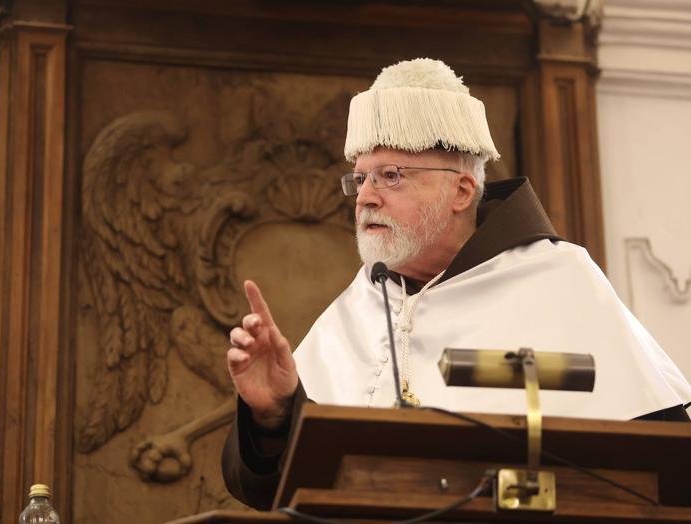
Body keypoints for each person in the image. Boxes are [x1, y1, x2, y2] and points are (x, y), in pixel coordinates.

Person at [221, 58, 691, 509]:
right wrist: (275, 413)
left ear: (461, 192)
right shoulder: (361, 305)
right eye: (360, 178)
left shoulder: (559, 280)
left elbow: (666, 464)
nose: (364, 196)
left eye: (391, 176)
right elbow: (271, 490)